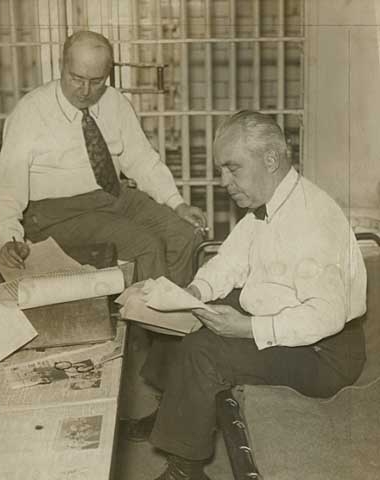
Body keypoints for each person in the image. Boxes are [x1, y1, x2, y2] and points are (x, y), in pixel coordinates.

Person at [132, 111, 367, 480]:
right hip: (286, 316)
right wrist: (193, 293)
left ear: (270, 160)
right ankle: (171, 411)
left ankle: (185, 469)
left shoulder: (312, 222)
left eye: (232, 168)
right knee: (181, 314)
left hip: (324, 354)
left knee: (204, 350)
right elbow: (229, 262)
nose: (224, 181)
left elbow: (326, 317)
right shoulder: (269, 207)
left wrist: (248, 328)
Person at [0, 30, 206, 287]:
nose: (85, 90)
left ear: (108, 74)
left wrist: (177, 204)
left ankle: (172, 316)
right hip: (57, 213)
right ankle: (148, 324)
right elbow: (7, 187)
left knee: (184, 234)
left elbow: (142, 159)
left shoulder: (115, 102)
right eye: (76, 78)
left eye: (96, 80)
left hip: (114, 197)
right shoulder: (30, 112)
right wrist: (9, 237)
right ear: (62, 65)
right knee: (147, 246)